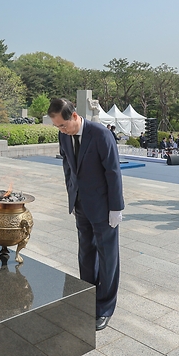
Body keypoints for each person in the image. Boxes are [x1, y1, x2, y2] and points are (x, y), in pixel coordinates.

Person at [48, 98, 124, 332]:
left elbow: (113, 171)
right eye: (57, 127)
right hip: (80, 204)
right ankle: (86, 297)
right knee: (86, 253)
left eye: (62, 125)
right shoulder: (64, 135)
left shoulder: (100, 134)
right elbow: (68, 167)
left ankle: (104, 307)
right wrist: (72, 195)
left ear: (74, 116)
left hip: (103, 206)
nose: (61, 130)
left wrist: (116, 208)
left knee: (108, 257)